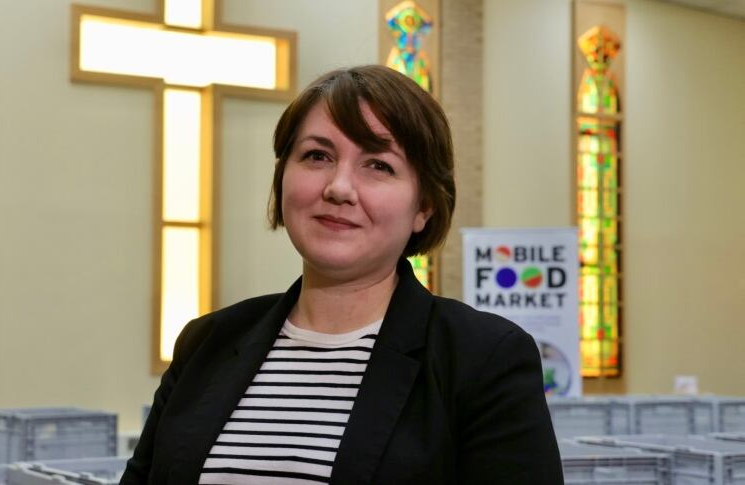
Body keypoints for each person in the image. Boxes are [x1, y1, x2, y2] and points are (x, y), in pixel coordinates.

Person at [121, 65, 563, 484]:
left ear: (423, 206)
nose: (338, 188)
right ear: (282, 179)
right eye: (317, 155)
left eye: (378, 165)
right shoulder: (207, 343)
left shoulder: (483, 360)